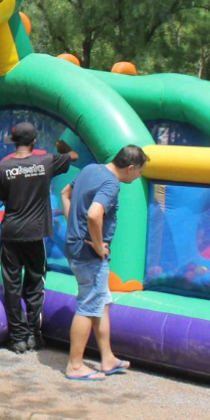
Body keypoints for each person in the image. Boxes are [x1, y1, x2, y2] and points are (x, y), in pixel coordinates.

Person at [60, 145, 148, 381]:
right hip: (89, 255)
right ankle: (75, 365)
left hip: (76, 248)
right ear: (130, 168)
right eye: (139, 172)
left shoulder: (91, 168)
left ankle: (107, 358)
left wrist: (73, 227)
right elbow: (93, 214)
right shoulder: (111, 184)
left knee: (102, 302)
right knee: (88, 305)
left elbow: (64, 194)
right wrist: (98, 245)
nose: (139, 176)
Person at [0, 122, 78, 353]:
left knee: (11, 286)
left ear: (14, 141)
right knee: (35, 284)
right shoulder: (46, 161)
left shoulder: (2, 167)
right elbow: (74, 155)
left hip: (11, 232)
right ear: (34, 142)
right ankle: (33, 335)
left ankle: (18, 338)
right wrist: (63, 148)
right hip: (35, 234)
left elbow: (2, 198)